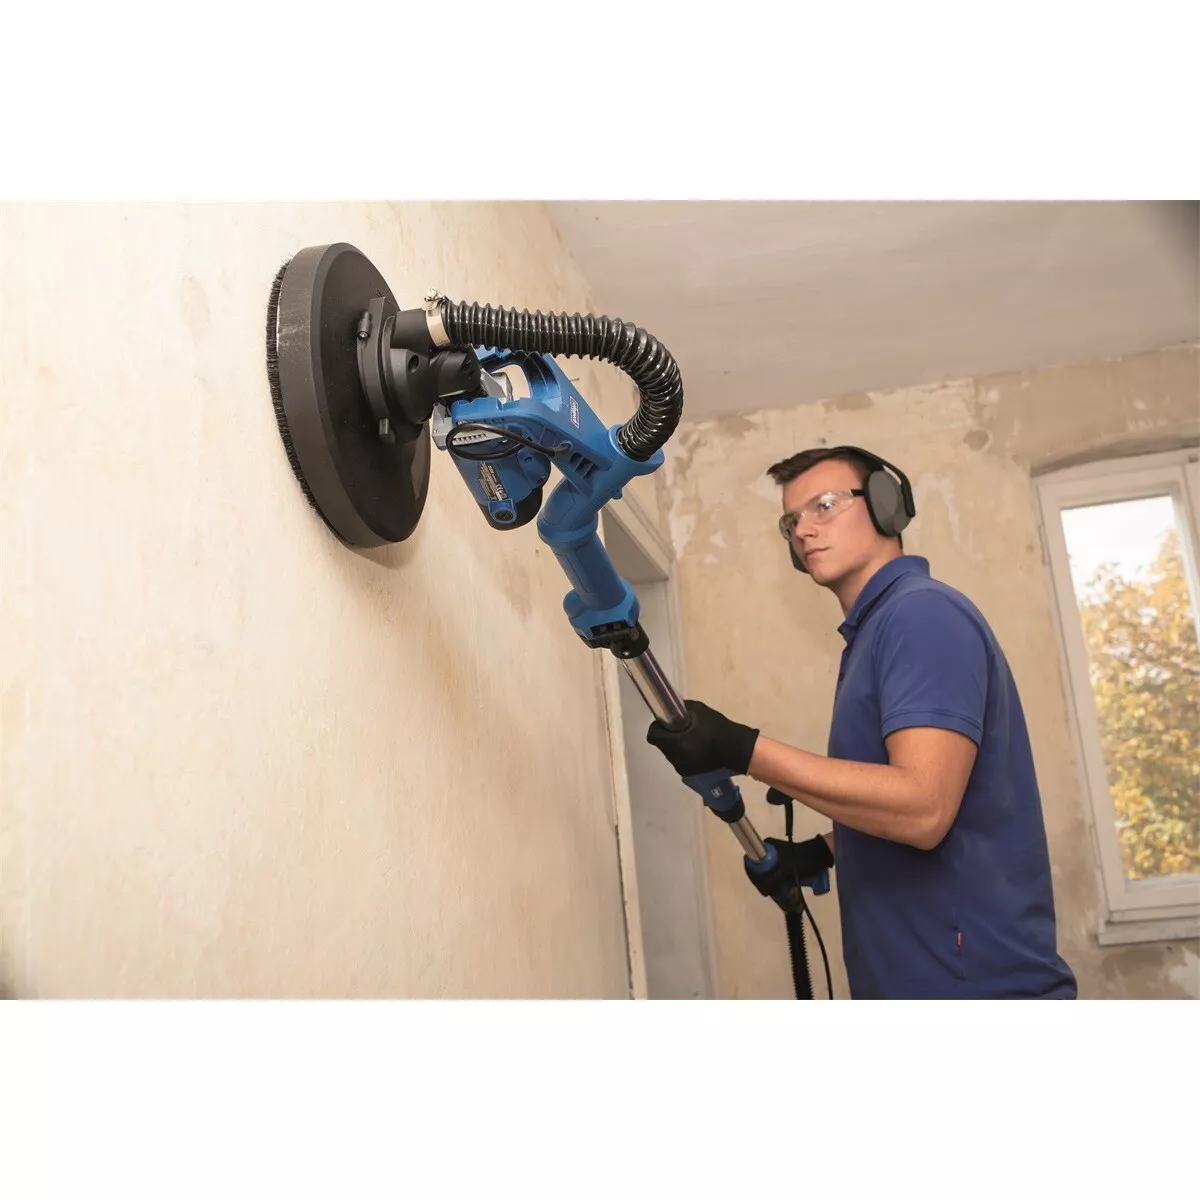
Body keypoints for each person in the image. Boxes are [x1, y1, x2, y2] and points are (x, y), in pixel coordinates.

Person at [647, 445, 1077, 1000]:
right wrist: (826, 850)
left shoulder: (920, 615)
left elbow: (923, 808)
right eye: (791, 521)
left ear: (884, 504)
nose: (804, 530)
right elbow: (936, 803)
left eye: (824, 506)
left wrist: (742, 749)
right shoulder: (878, 629)